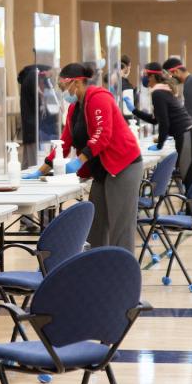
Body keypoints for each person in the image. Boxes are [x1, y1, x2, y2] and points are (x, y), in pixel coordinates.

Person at [27, 62, 143, 250]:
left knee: (120, 229)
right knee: (95, 227)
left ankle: (123, 275)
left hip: (122, 166)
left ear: (77, 82)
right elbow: (63, 143)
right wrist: (41, 170)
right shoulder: (74, 109)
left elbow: (102, 135)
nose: (62, 91)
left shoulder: (99, 98)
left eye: (63, 86)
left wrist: (78, 161)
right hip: (101, 170)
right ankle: (97, 270)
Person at [134, 62, 192, 187]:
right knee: (187, 174)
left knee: (188, 176)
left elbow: (164, 123)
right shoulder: (162, 91)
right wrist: (134, 111)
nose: (143, 78)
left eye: (145, 75)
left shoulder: (158, 93)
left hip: (186, 134)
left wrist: (160, 144)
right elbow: (156, 120)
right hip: (188, 133)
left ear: (152, 77)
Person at [17, 63, 58, 166]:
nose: (49, 77)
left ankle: (25, 180)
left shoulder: (31, 77)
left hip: (32, 126)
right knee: (33, 164)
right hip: (33, 127)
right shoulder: (32, 77)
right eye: (50, 74)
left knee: (27, 163)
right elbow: (40, 97)